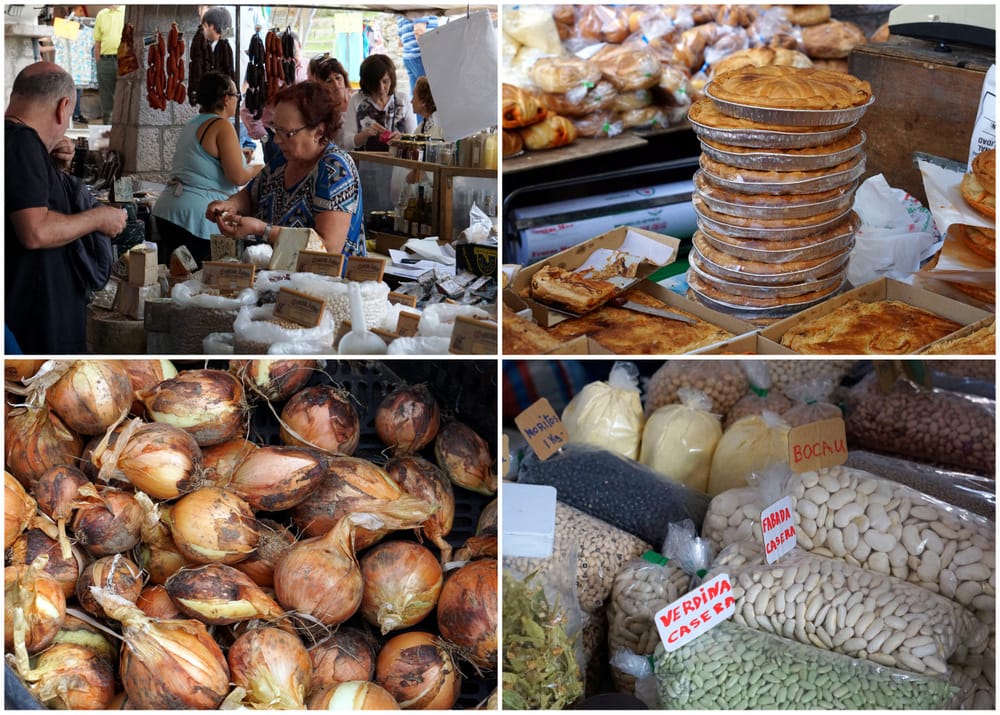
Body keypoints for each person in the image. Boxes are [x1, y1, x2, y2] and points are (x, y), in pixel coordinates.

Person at [5, 62, 127, 354]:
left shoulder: (18, 142)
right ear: (63, 107)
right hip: (34, 319)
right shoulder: (21, 143)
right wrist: (98, 218)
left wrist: (55, 169)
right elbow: (35, 231)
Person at [206, 81, 366, 258]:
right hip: (278, 278)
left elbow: (328, 247)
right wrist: (231, 205)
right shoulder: (282, 160)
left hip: (325, 283)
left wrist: (263, 230)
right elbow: (251, 196)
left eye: (287, 133)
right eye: (276, 129)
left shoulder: (335, 169)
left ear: (319, 131)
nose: (277, 140)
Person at [152, 72, 263, 267]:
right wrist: (259, 169)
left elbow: (205, 162)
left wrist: (242, 160)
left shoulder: (194, 123)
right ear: (226, 98)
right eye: (238, 96)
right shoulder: (222, 126)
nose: (238, 101)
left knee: (178, 277)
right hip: (195, 217)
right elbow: (238, 177)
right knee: (199, 281)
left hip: (169, 211)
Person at [343, 54, 415, 152]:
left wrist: (401, 138)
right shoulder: (356, 99)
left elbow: (414, 138)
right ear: (367, 82)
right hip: (365, 163)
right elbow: (347, 142)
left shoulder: (402, 100)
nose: (381, 88)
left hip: (398, 165)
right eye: (375, 83)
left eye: (385, 81)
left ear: (392, 79)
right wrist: (365, 134)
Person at [396, 13, 438, 115]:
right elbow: (419, 30)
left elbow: (400, 41)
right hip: (422, 55)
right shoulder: (421, 6)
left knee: (419, 99)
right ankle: (429, 129)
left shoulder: (401, 9)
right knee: (430, 100)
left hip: (409, 56)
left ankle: (422, 128)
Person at [308, 53, 352, 147]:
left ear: (344, 79)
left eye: (338, 78)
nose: (336, 85)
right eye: (329, 81)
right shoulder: (321, 112)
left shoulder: (357, 100)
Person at [92, 4, 125, 124]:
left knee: (126, 98)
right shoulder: (101, 14)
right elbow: (97, 43)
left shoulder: (127, 11)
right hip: (105, 61)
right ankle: (108, 132)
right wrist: (99, 63)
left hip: (125, 59)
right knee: (107, 101)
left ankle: (125, 132)